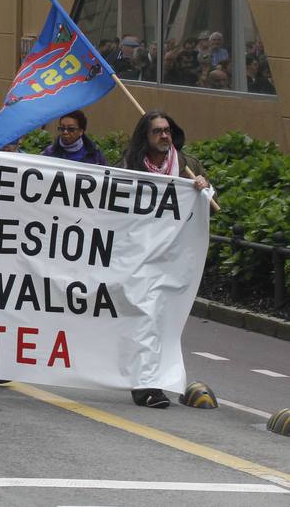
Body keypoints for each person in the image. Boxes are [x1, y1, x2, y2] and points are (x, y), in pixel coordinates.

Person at [119, 109, 211, 408]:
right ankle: (146, 386)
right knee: (145, 319)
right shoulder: (129, 165)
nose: (164, 136)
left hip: (173, 259)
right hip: (139, 258)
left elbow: (206, 208)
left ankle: (151, 381)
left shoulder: (186, 166)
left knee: (162, 322)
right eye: (157, 131)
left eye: (167, 130)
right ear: (145, 137)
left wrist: (203, 189)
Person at [41, 110, 108, 165]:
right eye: (62, 128)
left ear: (81, 131)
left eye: (71, 129)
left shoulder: (95, 155)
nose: (65, 132)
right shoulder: (49, 153)